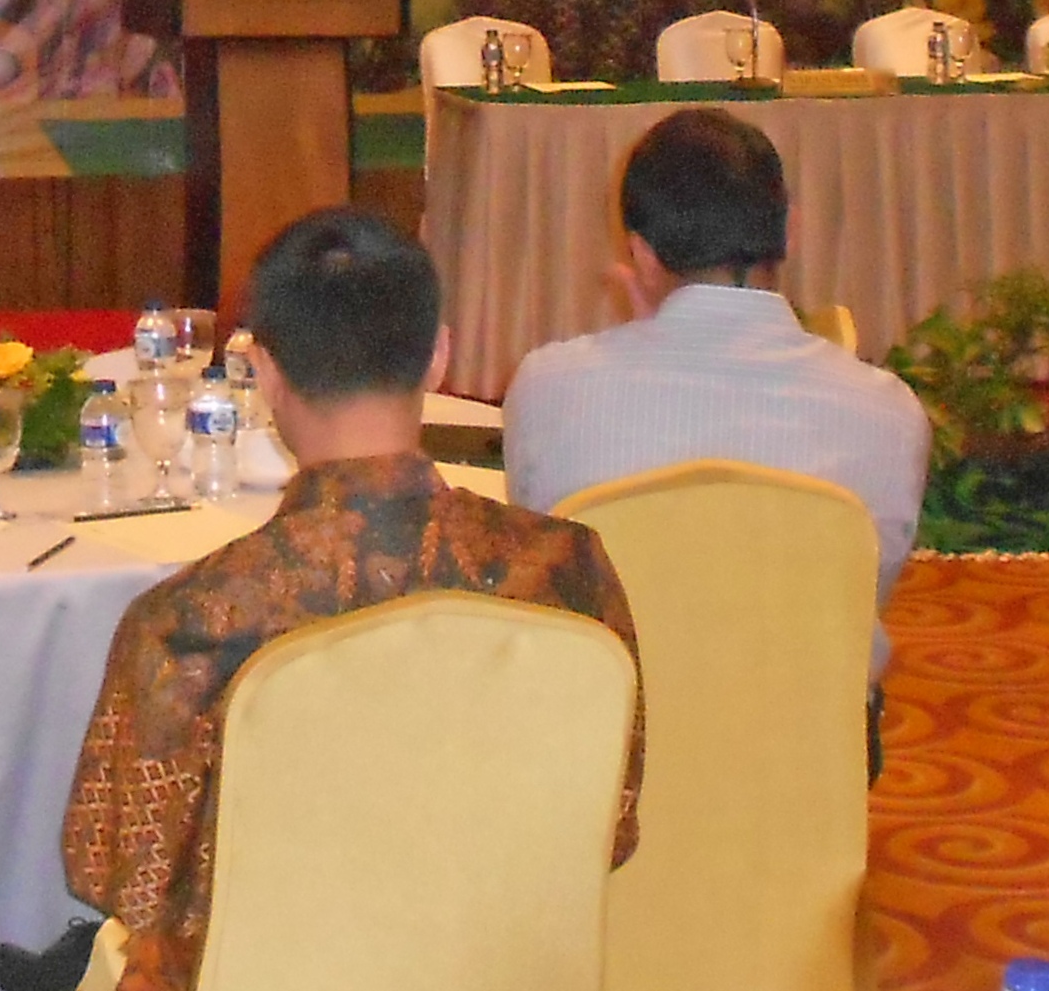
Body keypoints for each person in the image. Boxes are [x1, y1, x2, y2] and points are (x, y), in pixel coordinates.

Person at [62, 207, 641, 991]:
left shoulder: (193, 620)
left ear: (265, 375)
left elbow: (115, 872)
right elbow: (611, 825)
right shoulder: (567, 573)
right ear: (437, 356)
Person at [503, 106, 930, 709]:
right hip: (806, 741)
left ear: (641, 255)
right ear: (791, 231)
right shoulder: (889, 414)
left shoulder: (550, 387)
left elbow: (547, 576)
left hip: (615, 743)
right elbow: (855, 604)